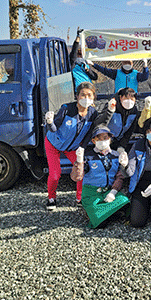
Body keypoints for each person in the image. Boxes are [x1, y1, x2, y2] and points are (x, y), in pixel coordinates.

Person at [43, 82, 104, 210]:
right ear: (77, 96)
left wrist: (82, 147)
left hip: (73, 147)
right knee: (55, 174)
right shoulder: (67, 108)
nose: (86, 98)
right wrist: (49, 122)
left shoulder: (93, 113)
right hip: (53, 144)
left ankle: (79, 198)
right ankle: (51, 198)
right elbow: (54, 128)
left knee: (82, 170)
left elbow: (89, 133)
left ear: (93, 97)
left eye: (89, 95)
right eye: (83, 95)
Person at [73, 125, 130, 228]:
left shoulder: (116, 155)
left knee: (125, 201)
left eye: (105, 138)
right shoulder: (88, 156)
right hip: (92, 194)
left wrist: (113, 191)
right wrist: (79, 161)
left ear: (110, 139)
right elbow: (77, 177)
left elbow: (120, 176)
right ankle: (98, 212)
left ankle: (105, 212)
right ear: (93, 141)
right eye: (98, 138)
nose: (102, 141)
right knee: (101, 224)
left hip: (108, 191)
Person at [101, 87, 139, 153]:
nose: (129, 101)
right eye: (126, 98)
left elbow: (129, 131)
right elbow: (101, 124)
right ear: (121, 97)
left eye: (132, 98)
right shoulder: (111, 106)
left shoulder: (134, 111)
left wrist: (122, 146)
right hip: (106, 141)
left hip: (120, 140)